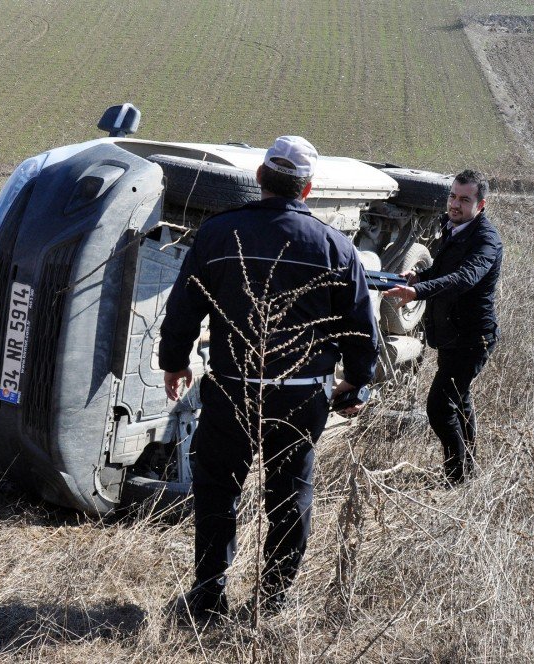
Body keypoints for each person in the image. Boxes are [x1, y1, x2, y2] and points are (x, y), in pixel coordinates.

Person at [159, 136, 378, 622]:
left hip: (232, 389)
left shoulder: (218, 235)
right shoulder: (336, 247)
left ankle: (208, 597)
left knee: (218, 489)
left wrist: (174, 362)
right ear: (310, 189)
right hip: (302, 398)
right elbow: (362, 328)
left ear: (259, 178)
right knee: (291, 492)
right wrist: (356, 382)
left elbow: (182, 309)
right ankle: (273, 600)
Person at [384, 170, 502, 486]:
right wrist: (419, 278)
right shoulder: (453, 229)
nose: (455, 204)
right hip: (454, 335)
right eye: (453, 196)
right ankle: (468, 470)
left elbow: (464, 277)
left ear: (481, 204)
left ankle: (455, 475)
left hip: (472, 337)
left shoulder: (485, 240)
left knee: (438, 406)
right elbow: (443, 269)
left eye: (465, 199)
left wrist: (419, 291)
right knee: (459, 400)